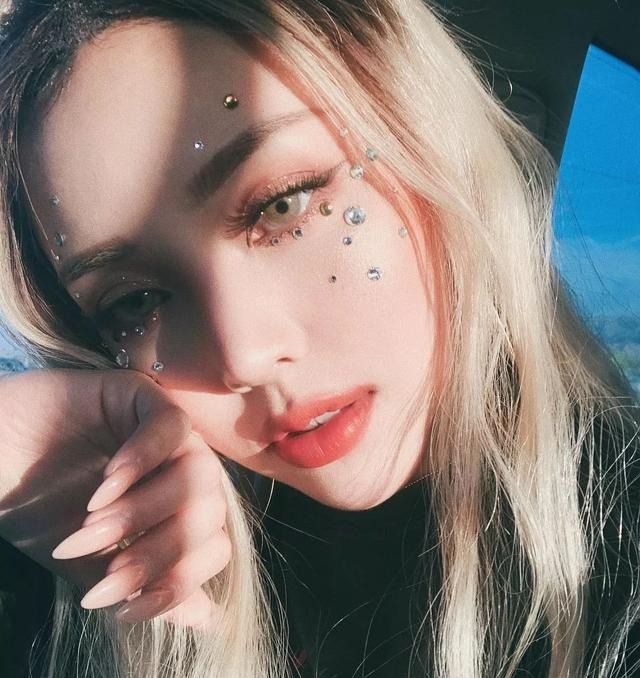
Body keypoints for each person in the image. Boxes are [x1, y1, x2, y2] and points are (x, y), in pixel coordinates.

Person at [0, 1, 638, 677]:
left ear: (428, 138)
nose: (244, 356)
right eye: (135, 302)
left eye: (285, 204)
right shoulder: (82, 551)